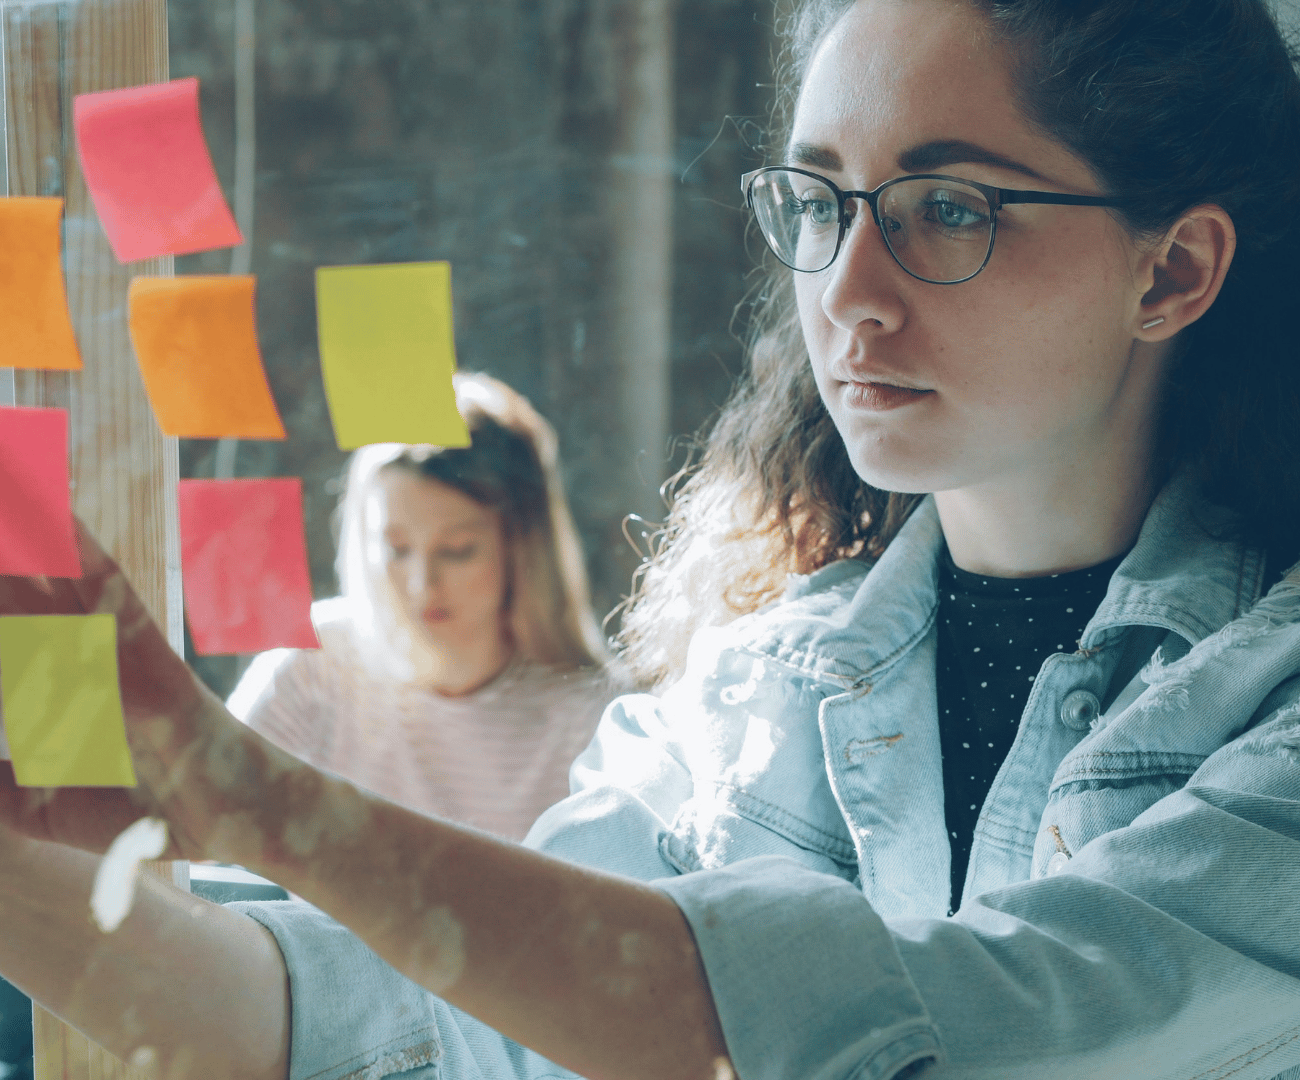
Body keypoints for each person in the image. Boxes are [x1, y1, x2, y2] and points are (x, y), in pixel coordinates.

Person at [1, 1, 1299, 1078]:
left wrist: (251, 799)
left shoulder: (1271, 712)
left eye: (947, 206)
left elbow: (935, 1034)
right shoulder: (754, 698)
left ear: (1174, 270)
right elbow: (370, 1026)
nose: (846, 292)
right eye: (820, 201)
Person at [226, 372, 616, 840]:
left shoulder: (595, 717)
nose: (421, 584)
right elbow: (200, 830)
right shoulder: (313, 669)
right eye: (395, 548)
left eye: (457, 550)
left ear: (519, 546)